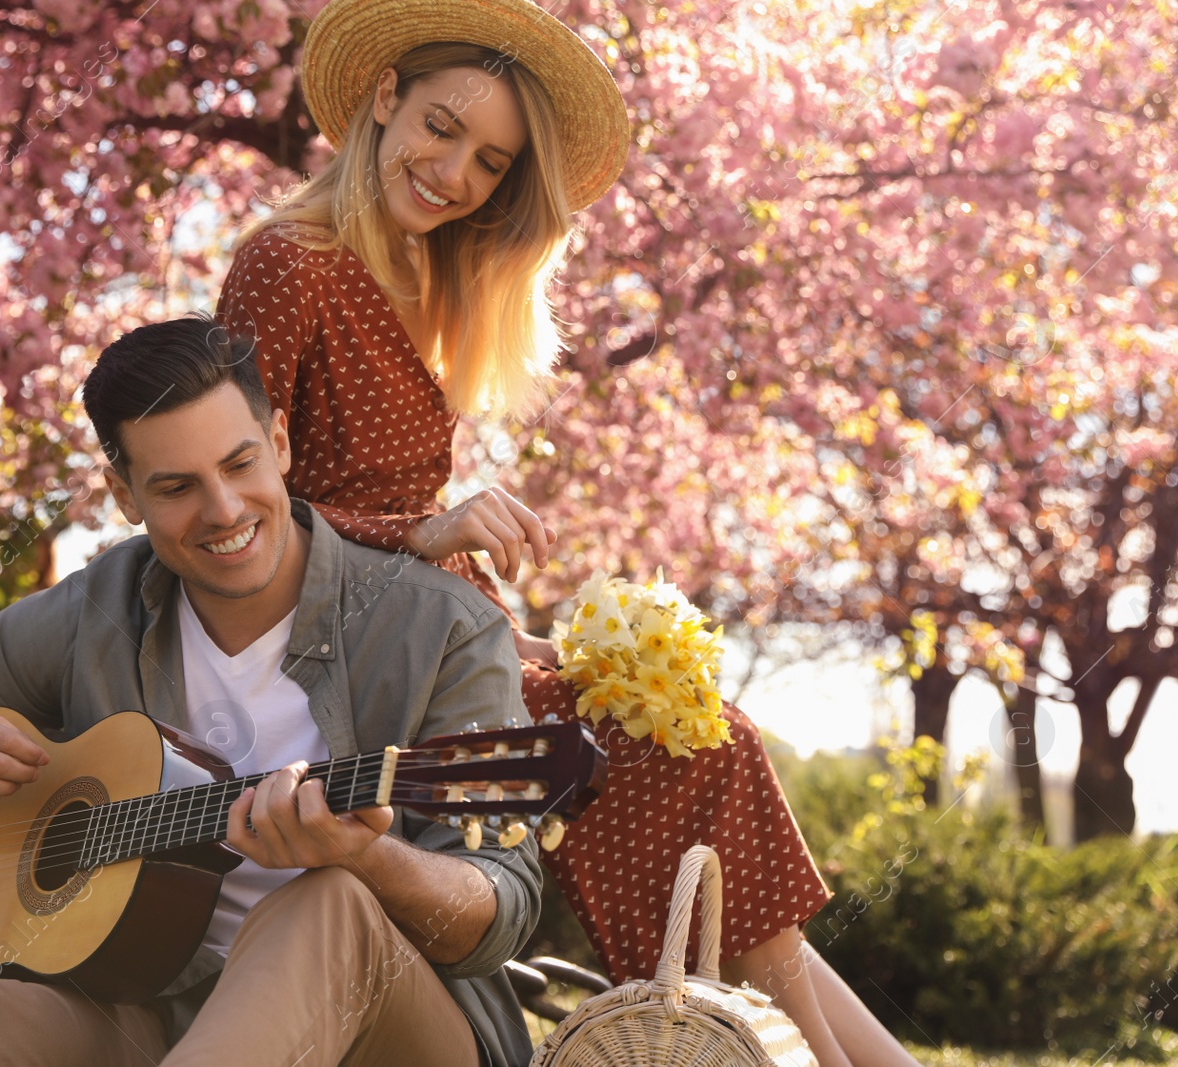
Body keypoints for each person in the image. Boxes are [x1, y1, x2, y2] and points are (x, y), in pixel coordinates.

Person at [217, 1, 923, 1064]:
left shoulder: (426, 276)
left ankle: (851, 1057)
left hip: (438, 636)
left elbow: (420, 541)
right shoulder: (289, 263)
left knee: (702, 731)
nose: (454, 173)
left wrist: (511, 629)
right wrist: (423, 535)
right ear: (382, 98)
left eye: (490, 162)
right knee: (695, 745)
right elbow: (239, 511)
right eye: (441, 128)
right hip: (341, 659)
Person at [0, 315, 542, 1067]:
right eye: (177, 487)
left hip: (387, 1031)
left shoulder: (442, 627)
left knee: (328, 900)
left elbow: (500, 904)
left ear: (279, 443)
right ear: (124, 494)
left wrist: (371, 859)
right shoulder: (97, 608)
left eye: (240, 463)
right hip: (142, 1012)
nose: (222, 510)